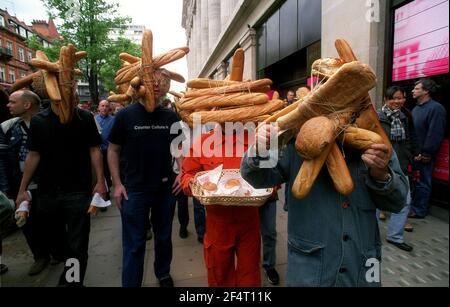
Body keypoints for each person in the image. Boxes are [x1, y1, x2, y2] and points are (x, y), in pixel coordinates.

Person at [241, 123, 409, 287]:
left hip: (363, 267)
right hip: (309, 270)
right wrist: (260, 149)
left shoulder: (375, 137)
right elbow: (258, 177)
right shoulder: (295, 136)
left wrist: (381, 174)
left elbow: (398, 202)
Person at [15, 96, 106, 287]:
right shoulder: (39, 121)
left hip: (78, 191)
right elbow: (34, 154)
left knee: (77, 244)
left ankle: (74, 281)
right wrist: (22, 189)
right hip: (48, 192)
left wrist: (100, 182)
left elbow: (94, 150)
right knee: (55, 241)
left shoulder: (84, 117)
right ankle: (69, 270)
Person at [108, 69, 179, 288]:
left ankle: (163, 272)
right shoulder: (125, 115)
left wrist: (182, 171)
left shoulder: (171, 116)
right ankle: (131, 283)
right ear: (140, 85)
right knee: (134, 244)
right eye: (151, 81)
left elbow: (179, 148)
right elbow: (112, 150)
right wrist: (117, 184)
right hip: (134, 189)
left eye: (160, 82)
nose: (156, 85)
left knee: (164, 238)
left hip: (165, 189)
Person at [181, 126, 261, 287]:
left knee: (250, 276)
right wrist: (192, 183)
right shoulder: (203, 142)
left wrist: (269, 185)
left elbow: (272, 175)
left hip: (249, 221)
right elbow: (186, 175)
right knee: (219, 275)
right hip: (217, 223)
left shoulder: (255, 141)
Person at [0, 90, 60, 276]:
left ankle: (57, 252)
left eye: (12, 102)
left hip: (47, 183)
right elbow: (2, 160)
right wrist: (8, 188)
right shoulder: (8, 127)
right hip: (20, 185)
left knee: (51, 219)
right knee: (26, 222)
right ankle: (39, 257)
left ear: (27, 105)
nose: (8, 105)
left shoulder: (50, 122)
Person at [377, 86, 421, 252]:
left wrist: (413, 153)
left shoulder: (406, 116)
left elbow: (412, 137)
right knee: (375, 201)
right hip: (381, 165)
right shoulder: (377, 117)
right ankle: (372, 235)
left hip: (401, 164)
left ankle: (395, 236)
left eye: (400, 98)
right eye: (393, 98)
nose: (397, 101)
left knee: (405, 200)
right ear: (385, 100)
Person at [409, 78, 447, 219]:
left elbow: (435, 133)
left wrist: (427, 152)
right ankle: (413, 206)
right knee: (414, 182)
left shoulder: (436, 108)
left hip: (424, 154)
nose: (413, 90)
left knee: (423, 182)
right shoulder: (416, 108)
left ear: (426, 91)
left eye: (417, 88)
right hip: (414, 153)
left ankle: (419, 210)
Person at [95, 100, 115, 203]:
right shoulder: (94, 120)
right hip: (98, 151)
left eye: (106, 106)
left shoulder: (114, 120)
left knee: (108, 172)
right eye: (102, 106)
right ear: (99, 107)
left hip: (110, 151)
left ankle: (108, 188)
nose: (104, 108)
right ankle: (104, 194)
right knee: (101, 172)